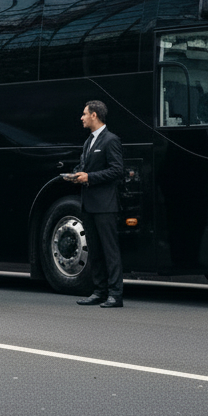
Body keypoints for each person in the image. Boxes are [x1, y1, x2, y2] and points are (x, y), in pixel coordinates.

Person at [72, 100, 125, 308]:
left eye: (84, 114)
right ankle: (99, 291)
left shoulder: (111, 140)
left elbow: (117, 170)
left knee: (110, 251)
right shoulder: (89, 141)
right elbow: (84, 166)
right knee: (94, 250)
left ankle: (115, 294)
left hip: (105, 205)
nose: (82, 118)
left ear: (94, 115)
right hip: (89, 204)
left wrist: (90, 177)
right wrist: (76, 174)